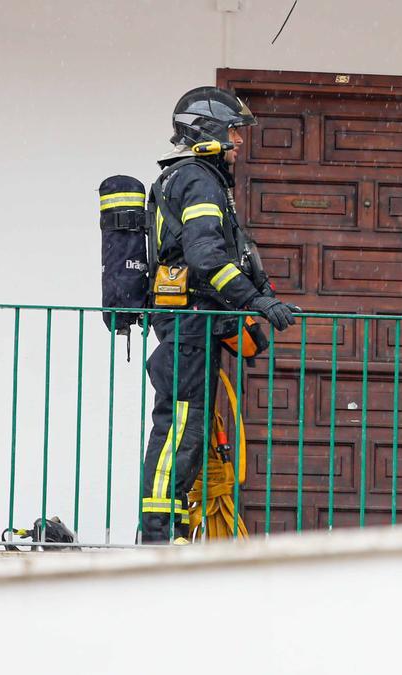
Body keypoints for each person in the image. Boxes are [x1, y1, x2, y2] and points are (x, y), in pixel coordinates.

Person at [140, 87, 300, 543]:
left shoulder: (188, 177)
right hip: (190, 322)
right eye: (233, 131)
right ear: (207, 131)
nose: (239, 142)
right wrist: (256, 302)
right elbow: (206, 256)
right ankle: (158, 535)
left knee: (187, 424)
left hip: (190, 322)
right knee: (181, 426)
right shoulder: (197, 179)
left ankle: (168, 529)